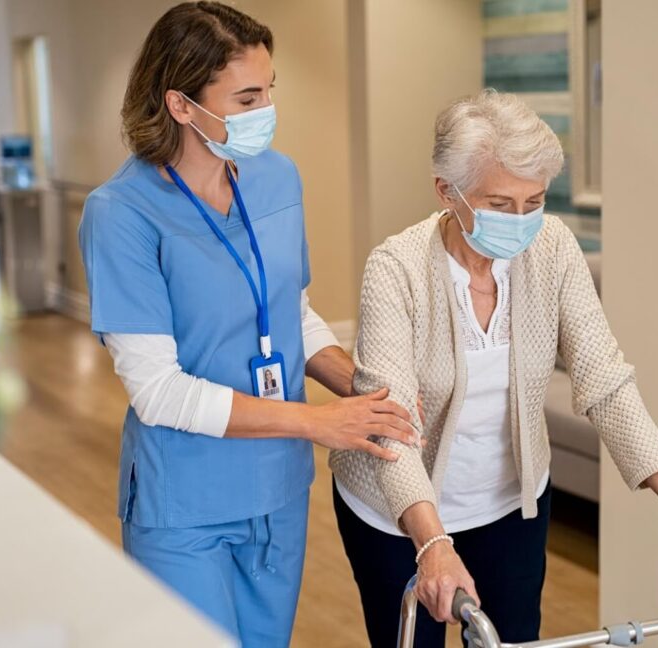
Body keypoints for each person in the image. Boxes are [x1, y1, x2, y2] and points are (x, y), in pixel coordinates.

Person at [329, 90, 658, 647]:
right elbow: (392, 424)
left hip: (509, 504)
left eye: (535, 201)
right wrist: (432, 543)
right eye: (500, 203)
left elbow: (605, 380)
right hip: (395, 515)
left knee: (515, 637)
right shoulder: (396, 268)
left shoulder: (552, 248)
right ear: (445, 191)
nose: (522, 221)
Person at [77, 4, 414, 646]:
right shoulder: (121, 214)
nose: (266, 111)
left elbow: (291, 311)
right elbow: (158, 391)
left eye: (269, 91)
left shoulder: (277, 177)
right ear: (180, 104)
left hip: (277, 492)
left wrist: (359, 385)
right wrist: (317, 422)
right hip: (185, 506)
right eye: (247, 96)